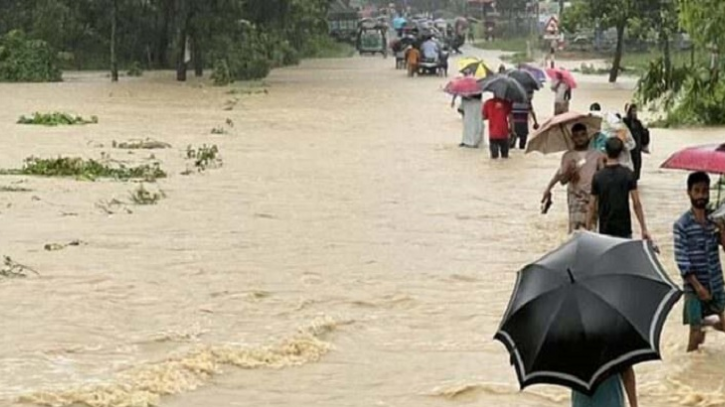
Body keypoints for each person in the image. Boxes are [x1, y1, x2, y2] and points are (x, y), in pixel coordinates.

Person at [674, 171, 725, 352]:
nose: (702, 196)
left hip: (717, 284)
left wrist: (722, 229)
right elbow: (682, 261)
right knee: (695, 337)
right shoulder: (681, 225)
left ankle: (709, 324)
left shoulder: (715, 218)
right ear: (689, 192)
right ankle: (687, 375)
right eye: (697, 191)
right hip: (694, 288)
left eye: (705, 191)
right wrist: (698, 287)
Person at [542, 123, 604, 233]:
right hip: (575, 197)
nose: (580, 138)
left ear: (588, 136)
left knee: (592, 230)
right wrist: (570, 172)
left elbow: (603, 176)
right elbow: (563, 181)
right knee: (576, 230)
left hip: (593, 197)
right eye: (577, 136)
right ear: (572, 138)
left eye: (583, 135)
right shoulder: (568, 156)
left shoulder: (597, 154)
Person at [587, 137, 650, 240]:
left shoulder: (598, 176)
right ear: (621, 153)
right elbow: (636, 203)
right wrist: (643, 228)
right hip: (624, 228)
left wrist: (587, 229)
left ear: (605, 151)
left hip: (605, 228)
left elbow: (591, 206)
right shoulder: (628, 174)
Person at [571, 366, 638, 407]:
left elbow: (627, 374)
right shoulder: (614, 344)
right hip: (612, 402)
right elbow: (627, 375)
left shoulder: (572, 345)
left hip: (581, 403)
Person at [623, 103, 650, 182]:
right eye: (632, 111)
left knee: (636, 171)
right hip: (627, 151)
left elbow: (644, 140)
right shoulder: (624, 122)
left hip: (637, 152)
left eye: (635, 111)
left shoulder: (638, 123)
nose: (634, 113)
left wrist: (646, 131)